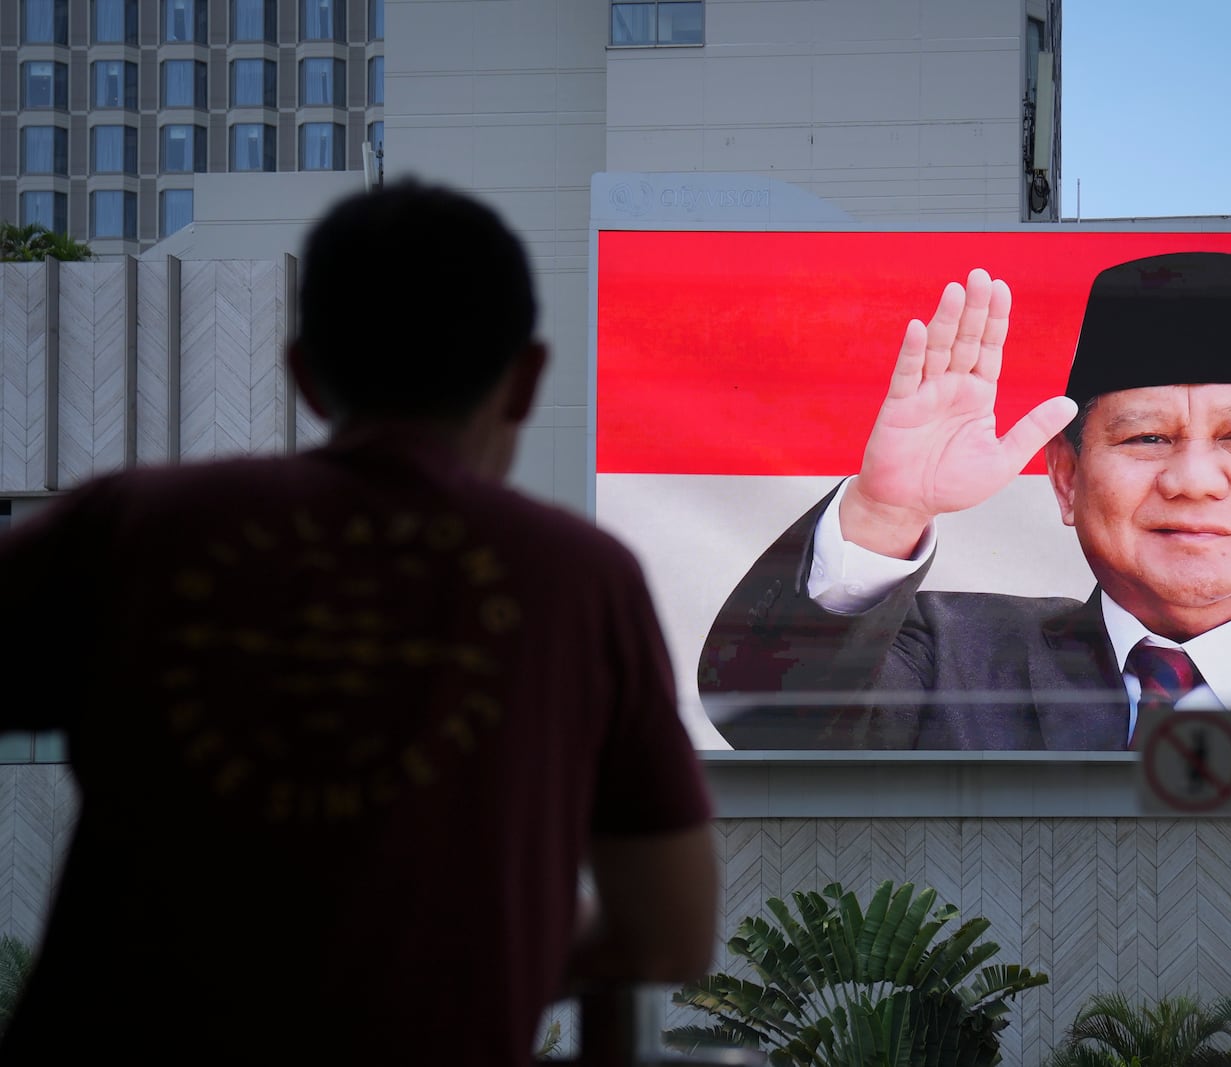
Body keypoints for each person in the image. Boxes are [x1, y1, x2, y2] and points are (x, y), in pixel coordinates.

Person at [0, 182, 718, 1065]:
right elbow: (667, 934)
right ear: (527, 378)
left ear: (303, 372)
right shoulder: (579, 578)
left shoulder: (132, 525)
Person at [699, 252, 1231, 754]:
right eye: (1146, 437)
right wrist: (886, 510)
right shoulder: (948, 666)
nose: (1191, 479)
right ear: (1067, 479)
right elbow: (762, 715)